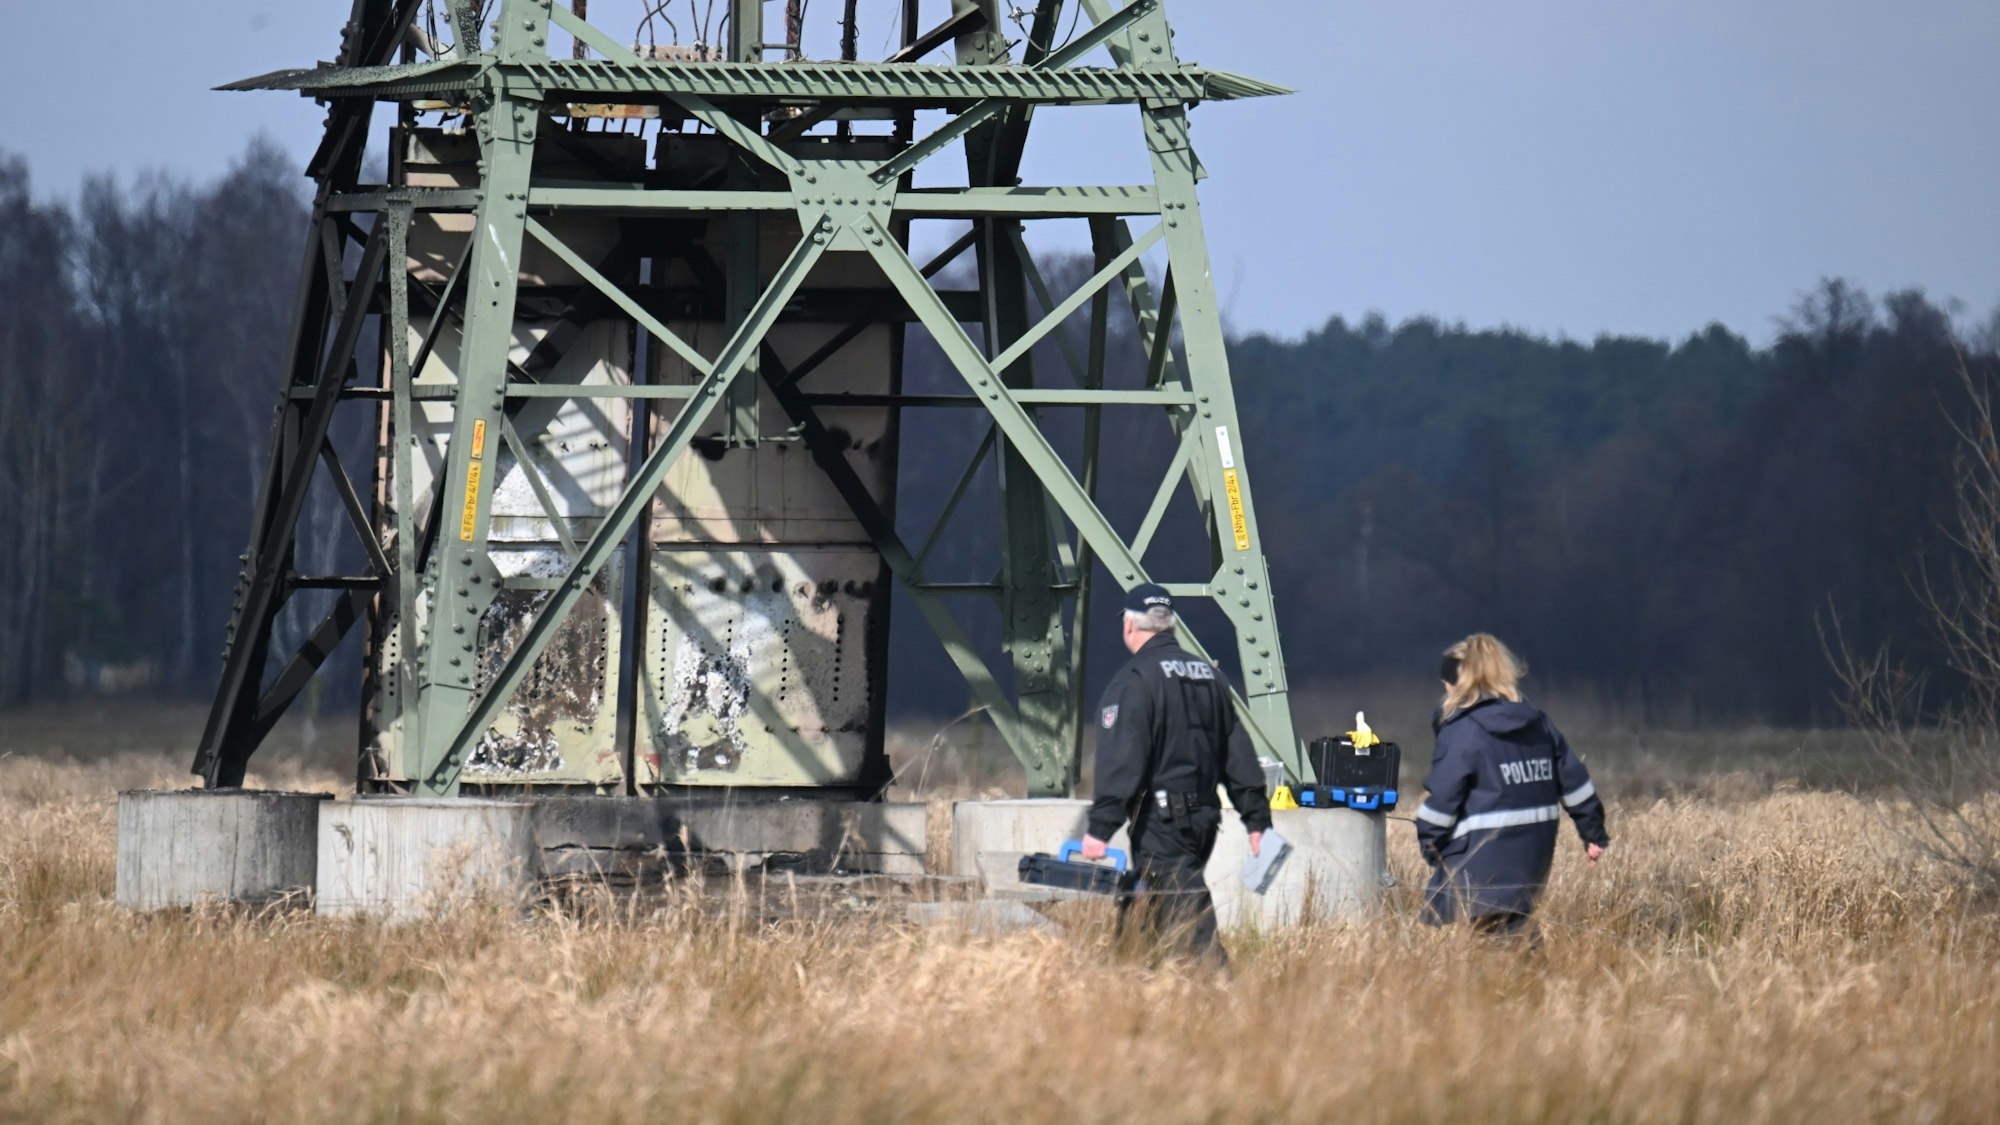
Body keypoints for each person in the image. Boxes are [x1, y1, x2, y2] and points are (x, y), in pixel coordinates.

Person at [1079, 584, 1272, 966]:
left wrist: (1100, 828)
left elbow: (1123, 761)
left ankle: (1224, 999)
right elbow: (1238, 755)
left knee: (1191, 923)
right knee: (1147, 915)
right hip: (1204, 821)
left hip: (1162, 823)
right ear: (1169, 626)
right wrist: (1256, 818)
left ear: (1130, 626)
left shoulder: (1134, 680)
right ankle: (1136, 990)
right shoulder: (1210, 678)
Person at [1414, 633, 1610, 936]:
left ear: (1460, 682)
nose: (1444, 688)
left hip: (1485, 860)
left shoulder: (1463, 731)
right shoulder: (1537, 723)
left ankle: (1527, 983)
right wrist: (1593, 833)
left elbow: (1442, 802)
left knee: (1496, 948)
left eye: (1446, 681)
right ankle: (1539, 983)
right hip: (1534, 852)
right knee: (1515, 931)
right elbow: (1575, 782)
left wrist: (1430, 847)